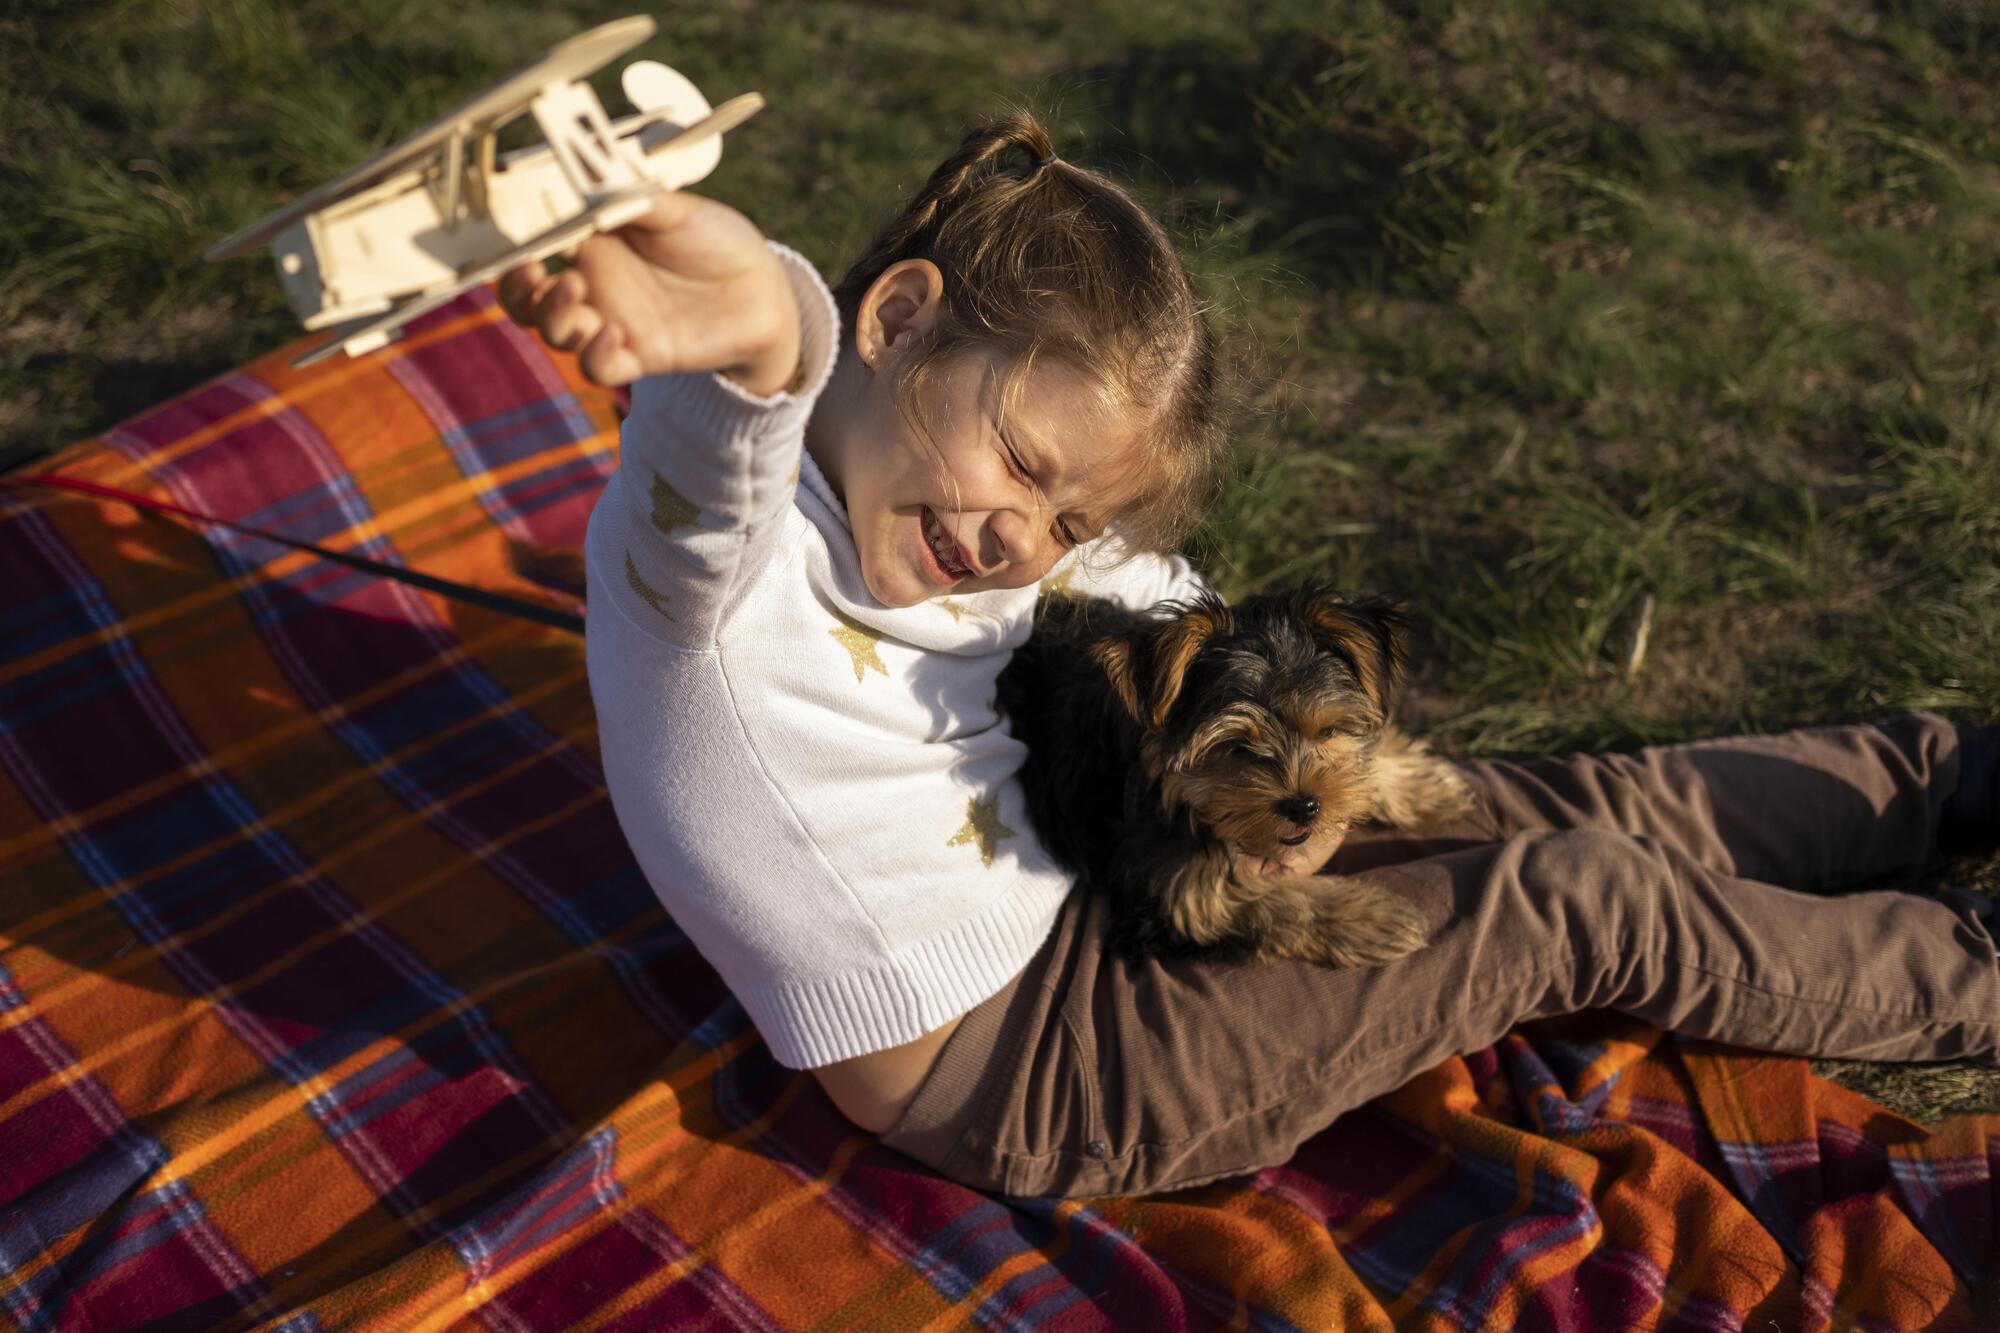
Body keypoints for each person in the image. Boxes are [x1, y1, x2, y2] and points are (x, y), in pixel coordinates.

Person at [498, 115, 2000, 1199]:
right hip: (1047, 1063)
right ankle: (1970, 982)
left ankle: (1945, 776)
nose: (1021, 533)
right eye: (1018, 459)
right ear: (889, 321)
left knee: (1540, 802)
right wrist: (751, 323)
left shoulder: (991, 525)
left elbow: (1140, 584)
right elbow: (725, 444)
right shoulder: (713, 591)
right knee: (1566, 900)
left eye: (1066, 507)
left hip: (1125, 868)